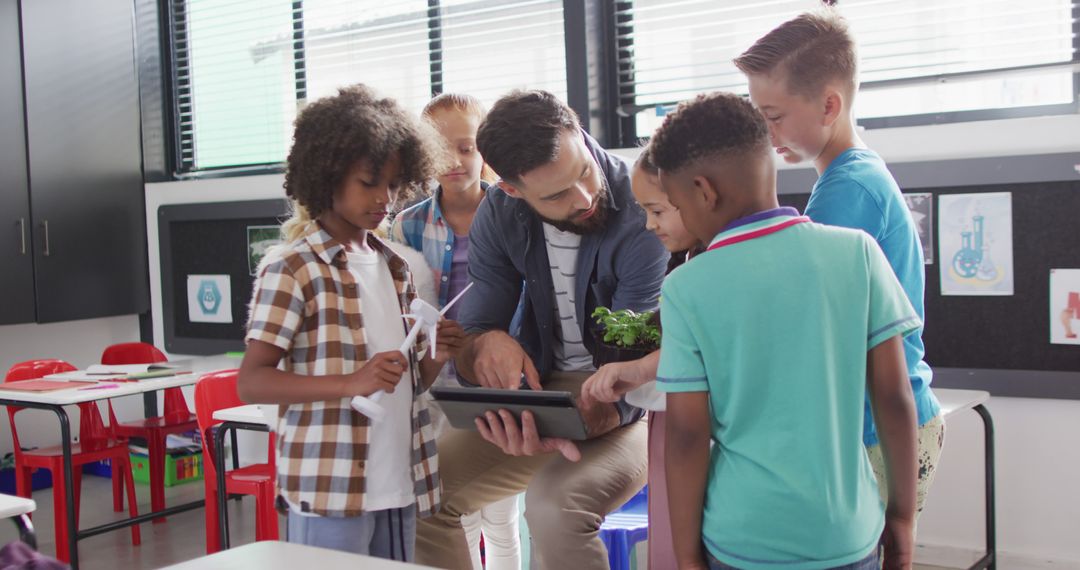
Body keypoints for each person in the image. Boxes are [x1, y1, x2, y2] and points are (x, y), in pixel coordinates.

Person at [649, 91, 919, 569]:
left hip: (743, 539)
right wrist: (901, 516)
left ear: (703, 191)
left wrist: (686, 555)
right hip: (846, 535)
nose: (681, 217)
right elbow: (895, 400)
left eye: (675, 203)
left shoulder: (686, 289)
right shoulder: (857, 253)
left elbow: (688, 437)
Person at [414, 89, 669, 570]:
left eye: (585, 171)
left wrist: (582, 416)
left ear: (579, 133)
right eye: (556, 194)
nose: (585, 197)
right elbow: (476, 330)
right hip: (545, 394)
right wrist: (485, 347)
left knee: (553, 509)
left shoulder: (641, 206)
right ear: (511, 189)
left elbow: (631, 364)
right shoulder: (499, 212)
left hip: (639, 393)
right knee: (423, 491)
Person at [238, 84, 465, 562]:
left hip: (398, 481)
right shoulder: (292, 268)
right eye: (369, 183)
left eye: (393, 183)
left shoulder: (396, 266)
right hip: (331, 487)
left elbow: (408, 384)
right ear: (326, 177)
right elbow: (253, 381)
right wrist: (351, 382)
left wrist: (435, 356)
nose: (385, 198)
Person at [734, 8, 945, 521]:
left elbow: (802, 320)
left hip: (878, 429)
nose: (766, 131)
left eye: (775, 115)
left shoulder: (846, 193)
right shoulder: (850, 177)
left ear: (830, 104)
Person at [391, 92, 521, 570]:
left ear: (484, 150)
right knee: (453, 506)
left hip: (495, 378)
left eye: (466, 147)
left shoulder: (514, 213)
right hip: (437, 386)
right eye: (442, 150)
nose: (455, 161)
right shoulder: (406, 226)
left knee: (503, 514)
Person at [580, 147, 700, 569]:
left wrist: (638, 368)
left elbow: (700, 355)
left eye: (658, 210)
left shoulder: (697, 278)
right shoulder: (690, 265)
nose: (649, 224)